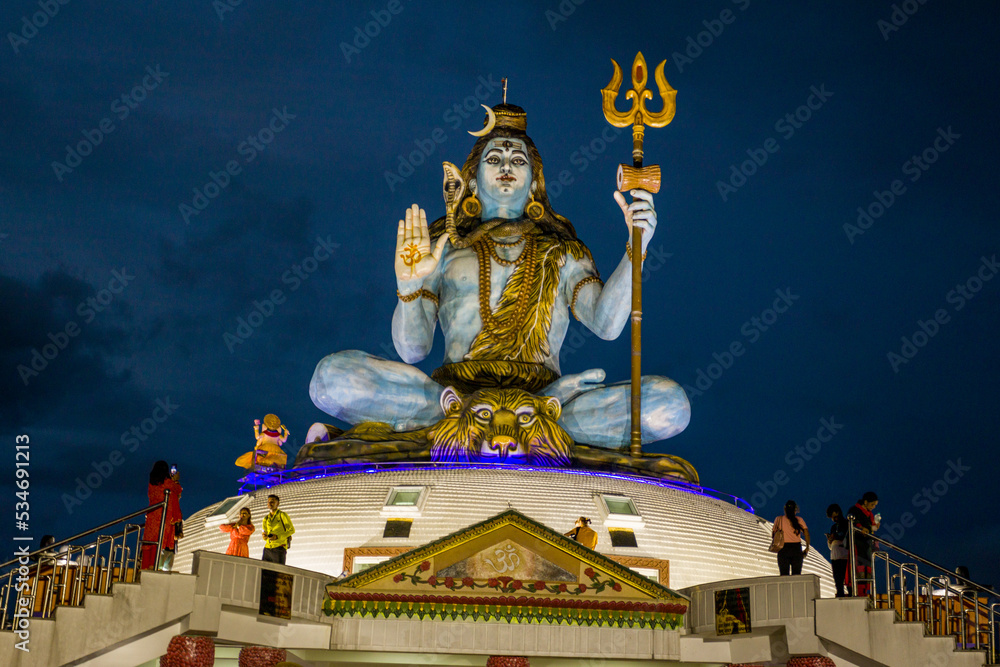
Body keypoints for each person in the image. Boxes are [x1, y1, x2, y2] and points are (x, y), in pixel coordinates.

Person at [309, 102, 690, 448]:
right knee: (331, 378)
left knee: (670, 404)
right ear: (471, 180)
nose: (507, 167)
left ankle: (498, 422)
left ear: (535, 182)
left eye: (518, 161)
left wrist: (635, 249)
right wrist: (408, 287)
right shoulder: (446, 246)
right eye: (494, 159)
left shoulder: (562, 250)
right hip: (452, 395)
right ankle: (503, 424)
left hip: (545, 398)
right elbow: (413, 350)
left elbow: (607, 325)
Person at [141, 460, 183, 571]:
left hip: (151, 514)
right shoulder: (167, 482)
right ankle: (153, 566)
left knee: (149, 541)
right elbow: (178, 490)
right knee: (158, 541)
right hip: (164, 515)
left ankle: (145, 566)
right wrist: (175, 480)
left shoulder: (151, 483)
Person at [846, 491, 879, 596]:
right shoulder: (854, 510)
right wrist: (861, 528)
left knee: (867, 567)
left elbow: (872, 528)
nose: (873, 507)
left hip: (867, 545)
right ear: (865, 502)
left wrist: (874, 527)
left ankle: (864, 591)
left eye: (875, 505)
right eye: (872, 504)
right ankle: (857, 591)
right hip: (857, 543)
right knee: (858, 566)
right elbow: (852, 522)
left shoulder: (870, 514)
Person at [773, 500, 810, 576]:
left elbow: (773, 534)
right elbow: (806, 533)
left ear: (785, 509)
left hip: (783, 549)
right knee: (796, 576)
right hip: (796, 549)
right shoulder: (799, 520)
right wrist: (807, 547)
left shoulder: (778, 519)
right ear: (795, 510)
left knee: (784, 576)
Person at [261, 495, 294, 565]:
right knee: (265, 572)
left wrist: (277, 537)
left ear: (277, 503)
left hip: (279, 547)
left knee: (278, 572)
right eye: (268, 502)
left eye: (272, 502)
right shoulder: (266, 518)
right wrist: (265, 536)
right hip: (267, 548)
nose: (270, 503)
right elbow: (265, 533)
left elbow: (291, 530)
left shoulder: (282, 515)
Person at [825, 504, 850, 596]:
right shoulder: (833, 527)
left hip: (845, 554)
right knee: (837, 577)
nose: (833, 519)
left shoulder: (847, 524)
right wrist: (830, 540)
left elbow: (847, 537)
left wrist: (836, 536)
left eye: (833, 516)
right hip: (835, 555)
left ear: (837, 512)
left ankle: (850, 593)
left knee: (847, 576)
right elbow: (831, 546)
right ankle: (840, 593)